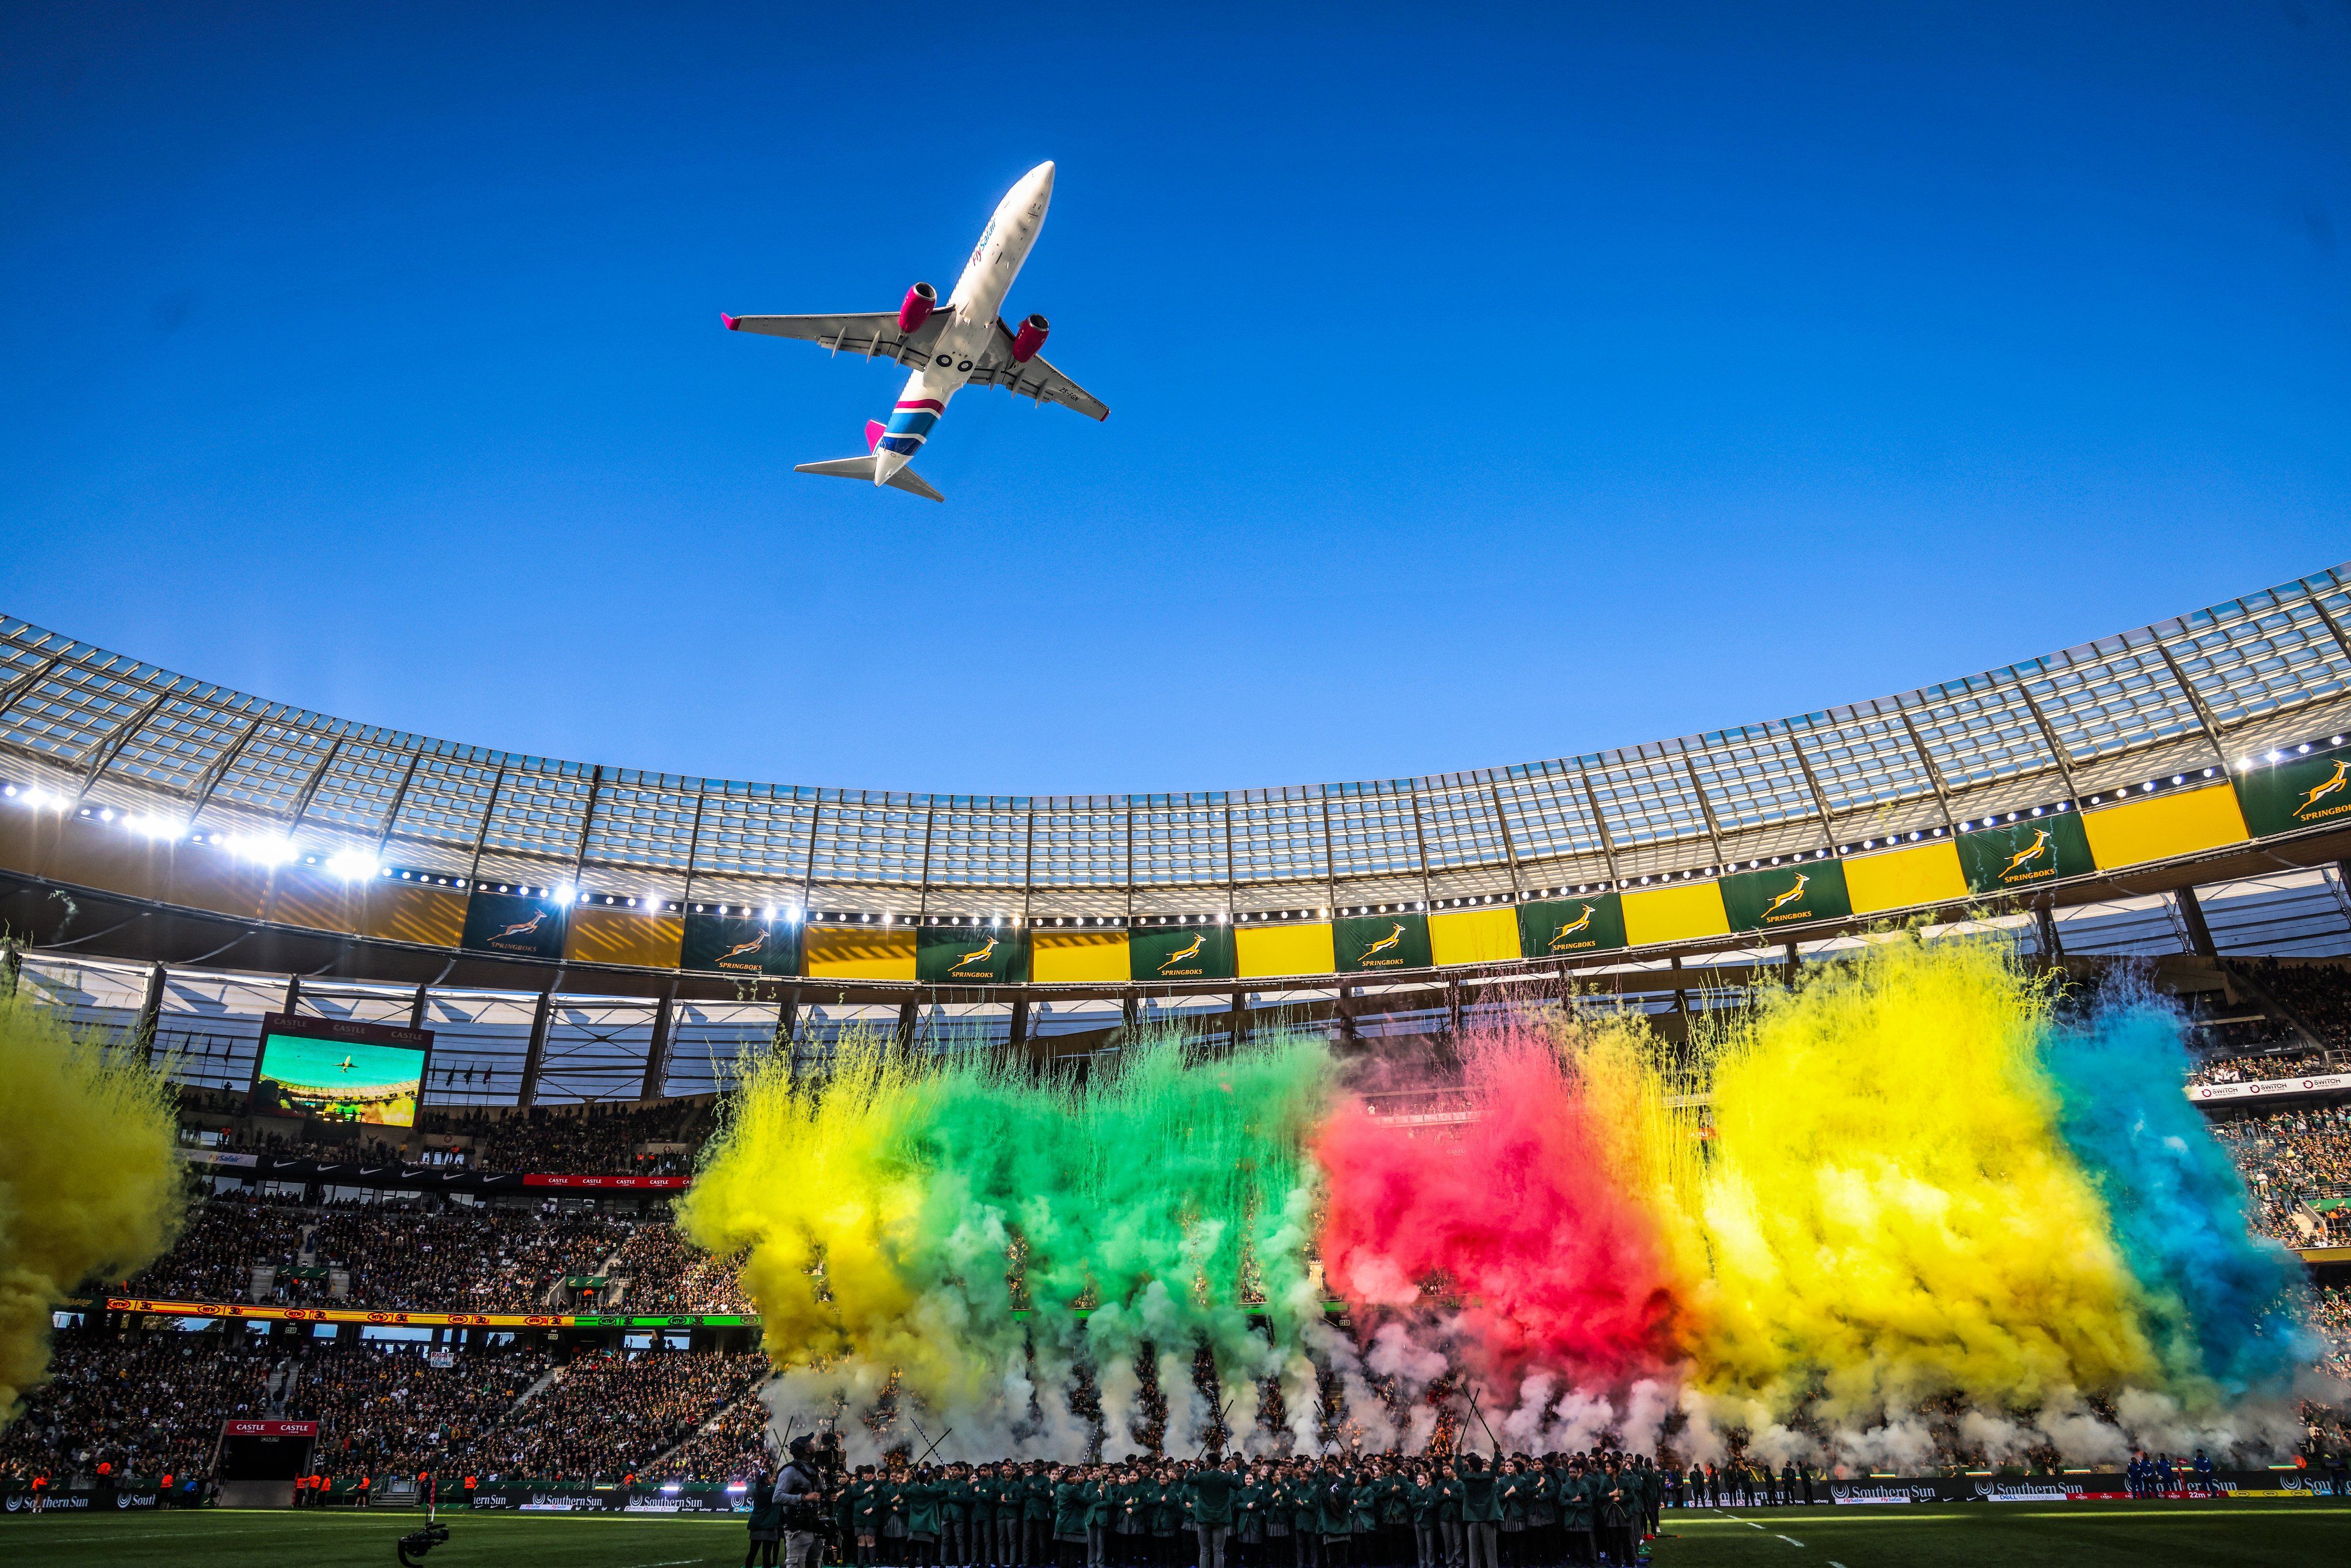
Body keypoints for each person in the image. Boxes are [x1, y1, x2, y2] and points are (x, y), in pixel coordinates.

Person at [779, 1434, 831, 1568]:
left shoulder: (814, 1469)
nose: (815, 1444)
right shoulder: (790, 1471)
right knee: (796, 1565)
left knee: (815, 1564)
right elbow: (777, 1497)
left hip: (814, 1525)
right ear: (806, 1450)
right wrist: (804, 1498)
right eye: (811, 1443)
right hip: (798, 1529)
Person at [748, 1468, 785, 1568]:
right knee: (767, 1556)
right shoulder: (772, 1490)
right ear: (765, 1480)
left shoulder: (756, 1491)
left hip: (756, 1524)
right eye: (770, 1477)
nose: (772, 1478)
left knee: (752, 1553)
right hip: (769, 1525)